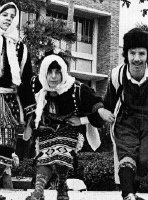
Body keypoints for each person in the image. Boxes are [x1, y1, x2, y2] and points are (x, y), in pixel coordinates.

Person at [24, 54, 112, 200]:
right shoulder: (36, 83)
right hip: (46, 129)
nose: (53, 77)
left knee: (62, 155)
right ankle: (38, 192)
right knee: (43, 158)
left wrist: (85, 119)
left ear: (63, 72)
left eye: (57, 72)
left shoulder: (76, 88)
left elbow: (95, 103)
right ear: (44, 71)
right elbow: (28, 101)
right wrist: (30, 121)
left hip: (68, 129)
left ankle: (61, 186)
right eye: (49, 72)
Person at [100, 28, 148, 200]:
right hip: (126, 120)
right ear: (126, 54)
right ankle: (128, 194)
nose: (137, 58)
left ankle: (131, 191)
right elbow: (107, 101)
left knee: (144, 161)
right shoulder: (117, 75)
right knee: (127, 155)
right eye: (132, 53)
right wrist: (101, 110)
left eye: (141, 53)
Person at [0, 2, 33, 199]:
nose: (9, 18)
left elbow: (25, 82)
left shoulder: (20, 47)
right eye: (5, 14)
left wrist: (30, 112)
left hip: (10, 103)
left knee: (4, 151)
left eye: (12, 16)